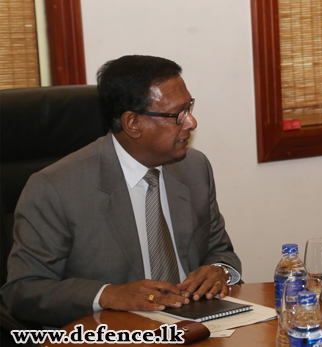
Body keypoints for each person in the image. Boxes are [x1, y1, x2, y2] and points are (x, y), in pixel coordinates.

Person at [1, 55, 242, 327]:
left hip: (199, 328)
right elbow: (23, 290)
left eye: (189, 108)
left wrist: (220, 270)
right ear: (133, 123)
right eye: (178, 115)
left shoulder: (194, 168)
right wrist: (107, 294)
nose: (191, 123)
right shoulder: (55, 188)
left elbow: (221, 251)